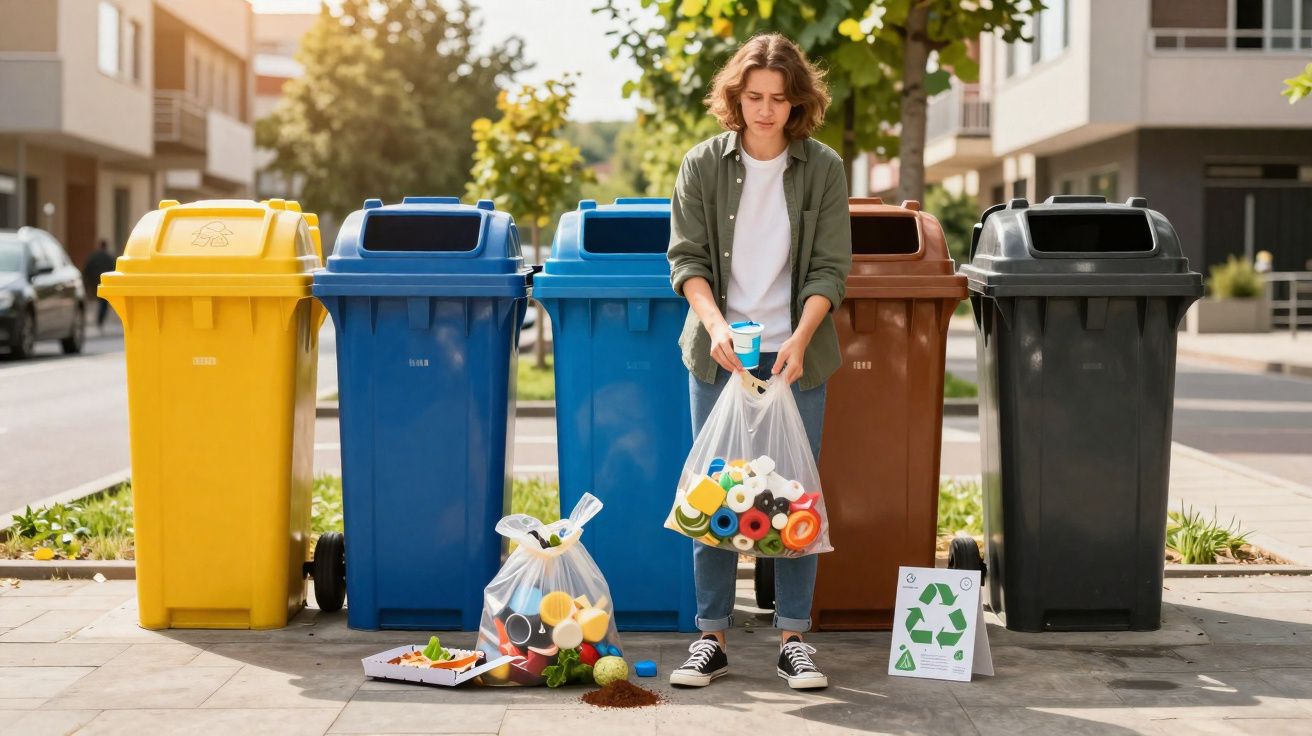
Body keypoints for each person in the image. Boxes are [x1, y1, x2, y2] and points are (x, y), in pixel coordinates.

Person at [665, 33, 852, 690]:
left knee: (793, 497)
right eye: (753, 98)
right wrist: (715, 325)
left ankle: (794, 638)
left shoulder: (823, 168)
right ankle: (710, 636)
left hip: (795, 355)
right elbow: (686, 260)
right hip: (721, 358)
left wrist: (800, 340)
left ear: (796, 102)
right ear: (735, 98)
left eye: (777, 99)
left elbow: (831, 269)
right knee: (713, 497)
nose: (765, 112)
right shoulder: (702, 165)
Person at [83, 239, 116, 332]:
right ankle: (100, 321)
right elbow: (114, 270)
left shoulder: (93, 257)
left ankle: (98, 320)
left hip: (95, 283)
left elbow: (86, 269)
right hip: (105, 284)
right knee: (103, 304)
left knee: (99, 302)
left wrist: (87, 283)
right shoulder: (109, 257)